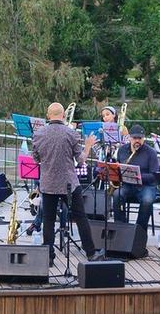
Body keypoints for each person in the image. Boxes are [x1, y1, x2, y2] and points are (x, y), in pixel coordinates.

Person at [32, 102, 102, 266]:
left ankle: (48, 257)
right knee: (80, 217)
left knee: (48, 220)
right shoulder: (71, 133)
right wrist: (88, 146)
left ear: (48, 116)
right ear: (63, 116)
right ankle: (91, 253)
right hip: (68, 184)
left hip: (48, 183)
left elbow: (36, 159)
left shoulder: (38, 134)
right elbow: (80, 161)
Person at [111, 124, 160, 232]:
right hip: (127, 185)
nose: (137, 140)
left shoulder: (151, 152)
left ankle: (139, 232)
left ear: (143, 139)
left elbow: (154, 175)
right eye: (134, 138)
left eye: (140, 138)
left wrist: (138, 176)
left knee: (147, 201)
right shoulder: (122, 150)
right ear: (129, 138)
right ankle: (121, 229)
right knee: (116, 195)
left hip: (146, 186)